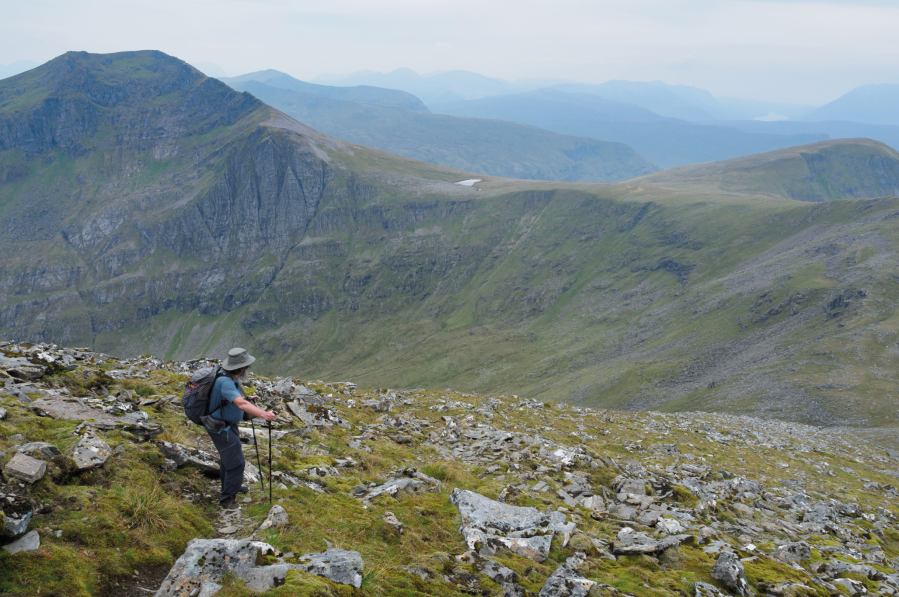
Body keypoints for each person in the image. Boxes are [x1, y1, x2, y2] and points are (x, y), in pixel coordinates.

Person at [206, 347, 276, 510]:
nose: (248, 369)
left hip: (227, 424)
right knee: (237, 461)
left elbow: (235, 399)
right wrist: (264, 415)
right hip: (220, 427)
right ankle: (227, 498)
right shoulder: (225, 381)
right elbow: (241, 404)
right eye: (247, 366)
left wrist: (247, 398)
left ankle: (231, 485)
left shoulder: (229, 377)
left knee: (228, 458)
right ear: (241, 368)